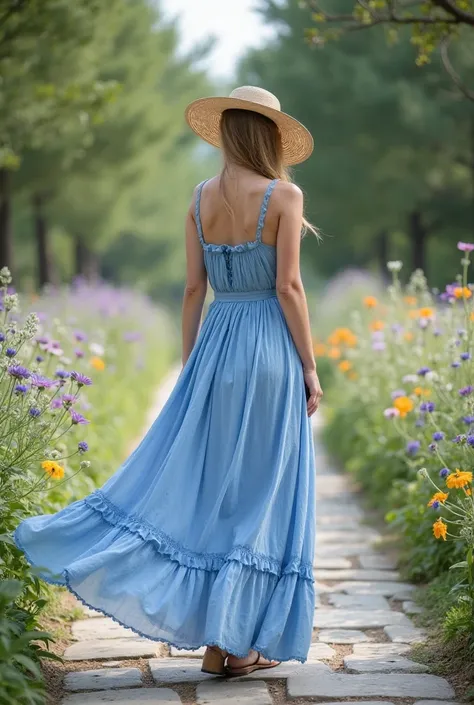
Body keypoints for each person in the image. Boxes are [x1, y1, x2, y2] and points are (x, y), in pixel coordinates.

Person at [14, 86, 323, 677]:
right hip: (268, 351)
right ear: (270, 138)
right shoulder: (284, 194)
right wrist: (309, 364)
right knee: (263, 490)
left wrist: (192, 364)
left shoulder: (200, 196)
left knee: (217, 490)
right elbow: (288, 288)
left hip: (216, 344)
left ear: (227, 134)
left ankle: (219, 642)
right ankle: (235, 642)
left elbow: (191, 289)